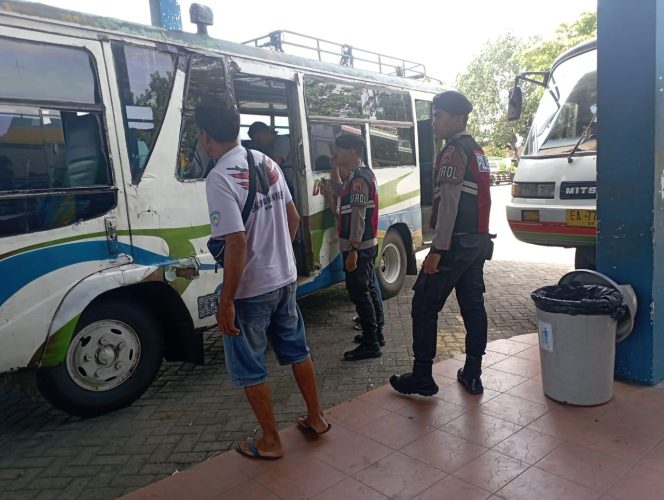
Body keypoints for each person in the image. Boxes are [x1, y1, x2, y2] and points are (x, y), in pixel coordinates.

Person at [198, 99, 329, 461]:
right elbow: (294, 219)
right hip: (285, 280)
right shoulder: (266, 162)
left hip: (250, 292)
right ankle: (317, 418)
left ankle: (271, 441)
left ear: (206, 136)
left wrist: (226, 300)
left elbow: (236, 242)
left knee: (250, 364)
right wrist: (277, 257)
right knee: (296, 349)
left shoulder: (220, 176)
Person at [390, 90, 492, 396]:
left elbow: (449, 205)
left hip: (455, 245)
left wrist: (437, 250)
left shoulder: (453, 152)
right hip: (476, 243)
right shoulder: (478, 151)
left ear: (457, 118)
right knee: (473, 306)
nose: (433, 121)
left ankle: (422, 375)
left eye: (438, 115)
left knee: (423, 303)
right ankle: (472, 374)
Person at [324, 133, 383, 360]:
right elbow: (339, 190)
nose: (335, 153)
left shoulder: (359, 179)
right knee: (366, 289)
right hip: (360, 245)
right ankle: (375, 334)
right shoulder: (356, 176)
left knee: (360, 293)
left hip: (358, 246)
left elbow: (358, 217)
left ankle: (371, 343)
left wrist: (354, 250)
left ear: (353, 152)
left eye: (338, 149)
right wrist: (334, 168)